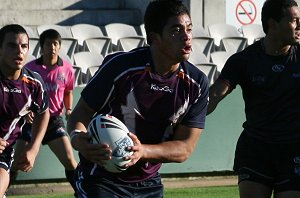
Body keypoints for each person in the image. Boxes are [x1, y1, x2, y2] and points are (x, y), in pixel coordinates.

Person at [67, 0, 209, 197]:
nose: (186, 36)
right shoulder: (121, 67)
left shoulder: (197, 83)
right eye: (176, 30)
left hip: (148, 183)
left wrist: (143, 152)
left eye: (189, 28)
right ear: (155, 37)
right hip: (101, 179)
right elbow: (82, 112)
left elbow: (185, 147)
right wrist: (77, 138)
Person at [207, 0, 300, 197]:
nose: (299, 25)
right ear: (272, 24)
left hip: (294, 150)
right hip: (256, 150)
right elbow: (214, 95)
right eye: (294, 20)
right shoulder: (244, 60)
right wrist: (182, 117)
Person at [11, 29, 78, 196]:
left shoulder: (67, 69)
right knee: (16, 162)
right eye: (48, 44)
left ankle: (83, 192)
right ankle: (3, 190)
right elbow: (21, 94)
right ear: (42, 46)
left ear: (60, 47)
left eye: (55, 44)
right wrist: (25, 112)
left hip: (54, 121)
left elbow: (68, 91)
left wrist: (68, 109)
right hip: (31, 121)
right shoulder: (29, 69)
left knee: (70, 160)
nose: (52, 47)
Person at [0, 24, 50, 197]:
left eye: (24, 46)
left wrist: (34, 148)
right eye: (12, 46)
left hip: (2, 154)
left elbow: (44, 113)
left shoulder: (34, 84)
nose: (19, 51)